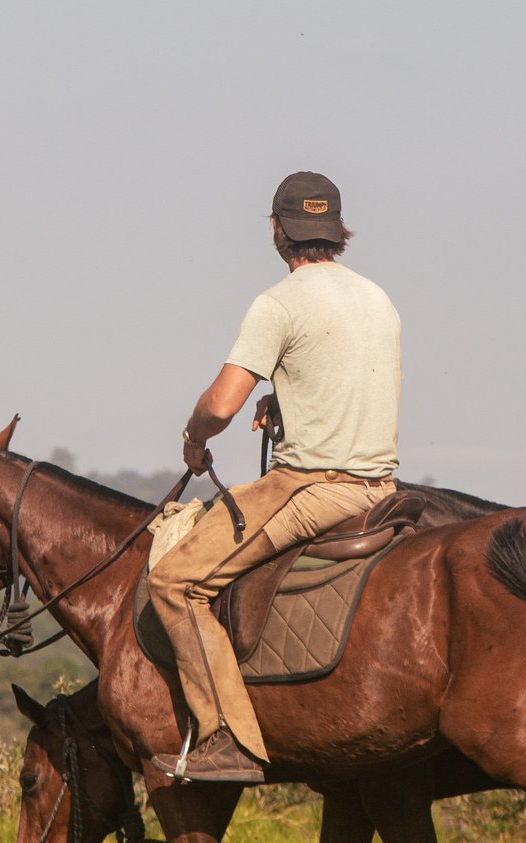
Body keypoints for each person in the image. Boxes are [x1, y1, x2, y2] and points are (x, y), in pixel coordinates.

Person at [150, 171, 402, 784]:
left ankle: (226, 738)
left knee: (173, 582)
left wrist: (192, 437)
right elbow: (344, 383)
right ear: (338, 231)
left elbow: (221, 405)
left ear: (276, 231)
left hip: (309, 488)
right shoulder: (378, 298)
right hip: (383, 487)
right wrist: (286, 405)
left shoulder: (278, 303)